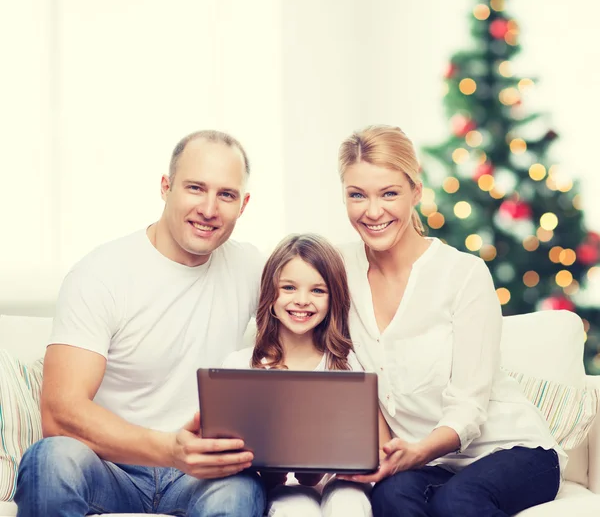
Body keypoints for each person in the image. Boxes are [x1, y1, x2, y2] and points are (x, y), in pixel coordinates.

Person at [15, 130, 266, 517]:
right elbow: (59, 413)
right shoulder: (101, 273)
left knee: (240, 492)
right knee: (51, 460)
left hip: (200, 477)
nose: (210, 209)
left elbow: (320, 313)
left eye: (226, 195)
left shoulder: (252, 269)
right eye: (195, 188)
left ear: (244, 204)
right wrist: (169, 450)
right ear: (166, 187)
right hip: (111, 466)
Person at [336, 125, 565, 517]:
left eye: (389, 193)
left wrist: (417, 452)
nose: (372, 212)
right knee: (389, 497)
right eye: (357, 195)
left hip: (513, 450)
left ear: (416, 192)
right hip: (429, 464)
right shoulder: (338, 271)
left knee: (457, 502)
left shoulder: (463, 274)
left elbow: (468, 407)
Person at [223, 233, 389, 517]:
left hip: (340, 482)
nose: (302, 301)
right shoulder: (240, 367)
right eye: (288, 287)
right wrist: (271, 472)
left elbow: (382, 448)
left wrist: (329, 466)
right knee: (297, 506)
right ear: (270, 294)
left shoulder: (349, 364)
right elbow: (224, 453)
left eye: (317, 291)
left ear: (333, 297)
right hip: (278, 487)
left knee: (348, 502)